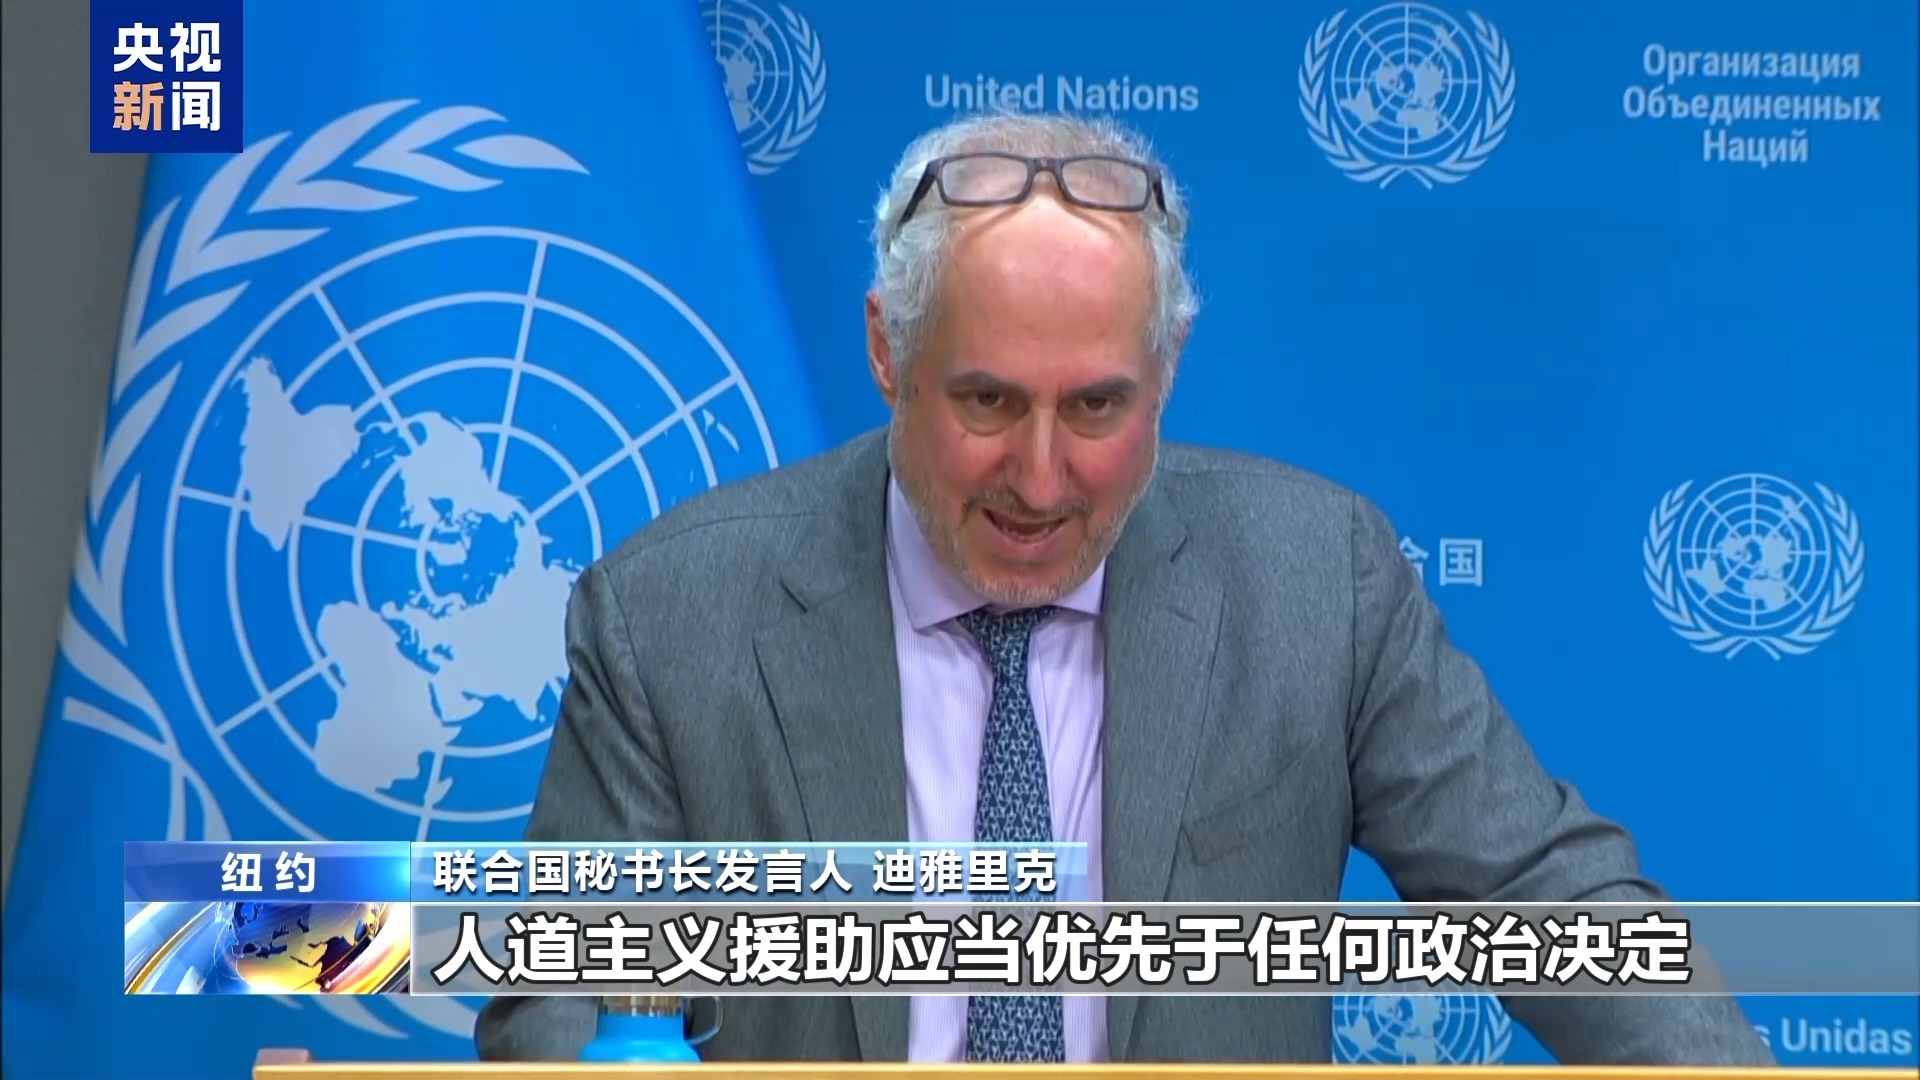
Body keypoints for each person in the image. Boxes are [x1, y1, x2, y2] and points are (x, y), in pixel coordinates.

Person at [475, 110, 1772, 1065]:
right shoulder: (672, 615)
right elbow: (558, 1004)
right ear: (886, 351)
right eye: (988, 402)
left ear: (1169, 369)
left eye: (1097, 407)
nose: (1041, 479)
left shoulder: (1318, 578)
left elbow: (1551, 903)